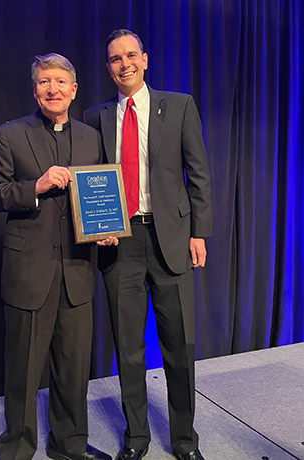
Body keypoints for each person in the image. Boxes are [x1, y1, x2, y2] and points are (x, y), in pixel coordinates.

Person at [83, 30, 212, 460]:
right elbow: (82, 170)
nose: (125, 64)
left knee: (180, 346)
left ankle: (184, 440)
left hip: (171, 238)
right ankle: (136, 437)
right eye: (115, 59)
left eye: (131, 55)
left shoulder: (178, 105)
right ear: (108, 68)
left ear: (145, 59)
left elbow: (199, 173)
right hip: (120, 242)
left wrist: (199, 232)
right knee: (129, 347)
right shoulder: (95, 115)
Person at [0, 53, 116, 460]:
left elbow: (98, 198)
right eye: (44, 82)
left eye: (60, 82)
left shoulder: (92, 137)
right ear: (34, 89)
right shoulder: (9, 134)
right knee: (22, 371)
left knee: (74, 369)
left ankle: (69, 446)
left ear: (74, 90)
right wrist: (34, 187)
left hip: (77, 269)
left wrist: (105, 229)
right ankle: (17, 450)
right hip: (29, 272)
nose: (52, 89)